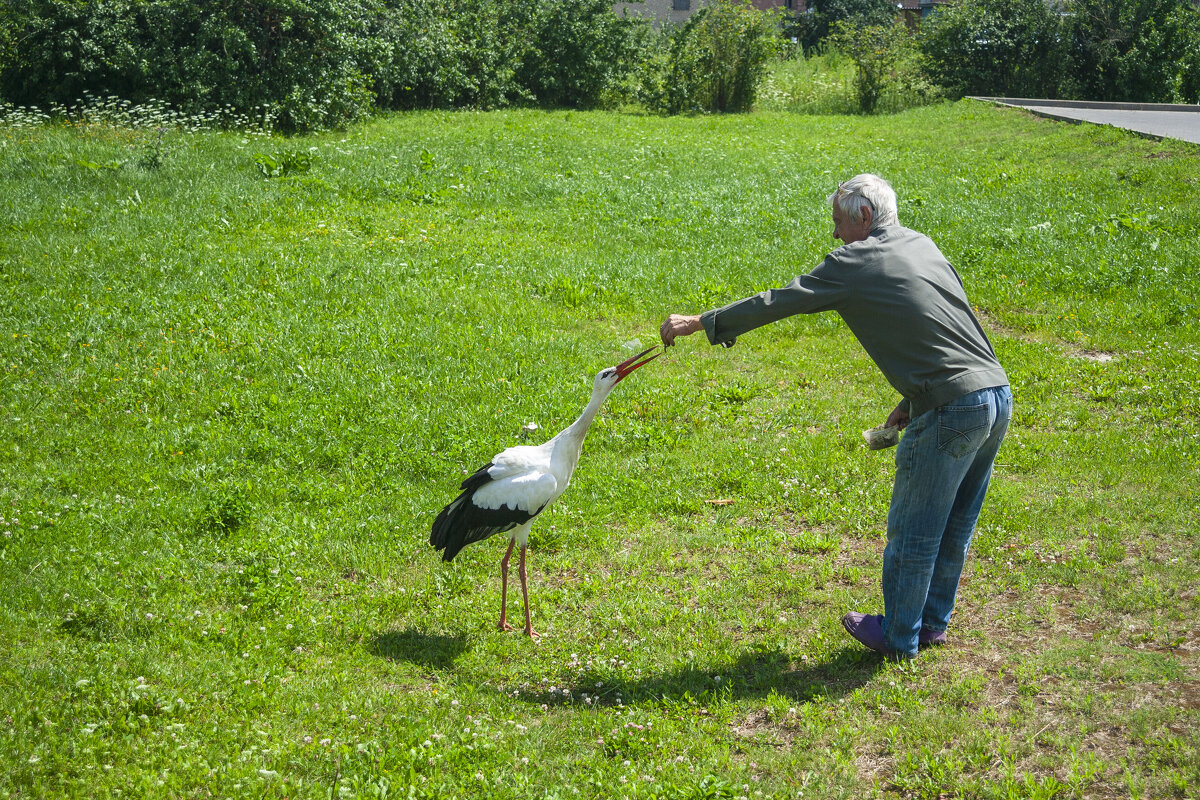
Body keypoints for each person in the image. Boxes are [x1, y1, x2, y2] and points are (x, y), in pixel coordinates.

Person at [659, 173, 1012, 659]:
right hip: (993, 394)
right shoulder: (922, 244)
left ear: (864, 217)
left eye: (839, 222)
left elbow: (782, 300)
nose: (835, 235)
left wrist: (702, 322)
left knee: (915, 529)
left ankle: (898, 637)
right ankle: (929, 624)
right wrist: (914, 400)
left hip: (952, 407)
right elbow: (949, 327)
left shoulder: (855, 261)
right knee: (955, 522)